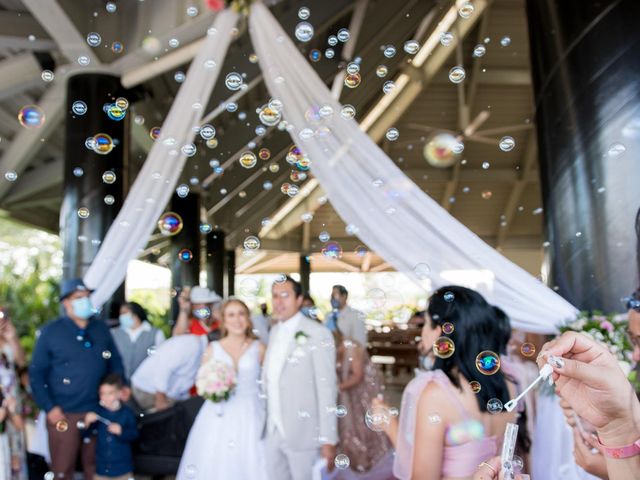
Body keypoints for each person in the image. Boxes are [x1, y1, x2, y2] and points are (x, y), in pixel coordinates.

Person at [376, 286, 522, 480]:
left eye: (426, 324)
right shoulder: (508, 383)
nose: (423, 333)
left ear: (439, 332)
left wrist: (389, 424)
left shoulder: (436, 394)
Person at [29, 278, 126, 480]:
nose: (85, 301)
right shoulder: (51, 331)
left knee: (97, 469)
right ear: (66, 302)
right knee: (63, 469)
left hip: (98, 412)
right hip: (63, 413)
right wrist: (49, 407)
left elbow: (115, 361)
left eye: (87, 297)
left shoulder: (100, 329)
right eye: (79, 297)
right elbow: (36, 374)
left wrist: (122, 386)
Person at [177, 299, 267, 479]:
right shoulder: (213, 349)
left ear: (248, 319)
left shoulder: (260, 348)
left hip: (251, 411)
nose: (237, 319)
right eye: (231, 315)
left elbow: (268, 383)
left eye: (241, 314)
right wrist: (213, 389)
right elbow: (202, 382)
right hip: (218, 413)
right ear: (224, 320)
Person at [263, 276, 338, 480]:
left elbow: (327, 389)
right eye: (275, 296)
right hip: (272, 429)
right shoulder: (274, 331)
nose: (278, 301)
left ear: (298, 300)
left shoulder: (318, 333)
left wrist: (328, 438)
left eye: (285, 296)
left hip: (304, 433)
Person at [333, 328, 393, 478]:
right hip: (348, 391)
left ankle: (367, 459)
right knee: (349, 426)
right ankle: (354, 458)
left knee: (362, 426)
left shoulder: (352, 348)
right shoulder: (335, 349)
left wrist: (336, 388)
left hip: (363, 392)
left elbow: (358, 375)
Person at [131, 331, 216, 412]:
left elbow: (185, 379)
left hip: (167, 394)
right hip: (149, 391)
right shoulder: (191, 344)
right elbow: (164, 367)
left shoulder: (200, 349)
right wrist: (160, 399)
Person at [83, 373, 138, 480]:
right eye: (102, 393)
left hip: (123, 470)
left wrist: (121, 431)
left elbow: (134, 435)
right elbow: (86, 435)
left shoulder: (127, 413)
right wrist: (87, 423)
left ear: (119, 394)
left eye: (110, 393)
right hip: (101, 469)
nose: (105, 397)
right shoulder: (97, 411)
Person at [111, 301, 165, 382]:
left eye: (124, 312)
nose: (121, 316)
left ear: (135, 313)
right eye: (120, 313)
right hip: (120, 383)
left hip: (146, 383)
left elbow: (162, 360)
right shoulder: (114, 333)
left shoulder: (155, 333)